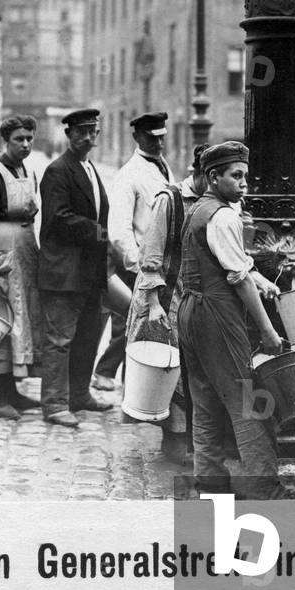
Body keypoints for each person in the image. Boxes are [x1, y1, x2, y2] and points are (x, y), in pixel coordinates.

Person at [178, 142, 286, 499]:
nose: (244, 184)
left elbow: (225, 262)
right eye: (236, 176)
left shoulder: (198, 210)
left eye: (245, 176)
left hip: (190, 312)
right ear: (214, 176)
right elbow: (236, 277)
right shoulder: (224, 216)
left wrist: (261, 280)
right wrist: (268, 331)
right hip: (217, 317)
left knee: (205, 401)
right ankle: (264, 489)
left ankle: (209, 483)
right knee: (248, 402)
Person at [125, 142, 208, 465]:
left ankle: (190, 437)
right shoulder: (169, 200)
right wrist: (154, 302)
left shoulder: (216, 201)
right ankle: (172, 441)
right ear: (199, 173)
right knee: (168, 367)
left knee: (191, 369)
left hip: (195, 298)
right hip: (165, 295)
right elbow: (151, 255)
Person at [36, 108, 112, 427]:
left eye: (92, 131)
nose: (87, 137)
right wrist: (98, 232)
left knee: (87, 335)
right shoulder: (58, 170)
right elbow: (58, 218)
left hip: (89, 271)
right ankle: (54, 403)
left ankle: (79, 394)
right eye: (80, 132)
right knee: (60, 339)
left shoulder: (89, 168)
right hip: (64, 271)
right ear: (68, 134)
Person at [94, 111, 175, 391]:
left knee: (143, 329)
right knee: (134, 326)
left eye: (162, 138)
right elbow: (118, 232)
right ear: (137, 137)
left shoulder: (161, 167)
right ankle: (128, 387)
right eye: (152, 139)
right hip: (141, 265)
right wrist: (138, 268)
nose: (159, 144)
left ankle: (137, 387)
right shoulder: (129, 175)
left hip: (161, 262)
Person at [0, 114, 44, 419]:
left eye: (29, 138)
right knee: (2, 320)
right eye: (19, 139)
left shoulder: (27, 170)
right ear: (6, 140)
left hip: (25, 251)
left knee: (22, 320)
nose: (26, 144)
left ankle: (14, 392)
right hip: (2, 252)